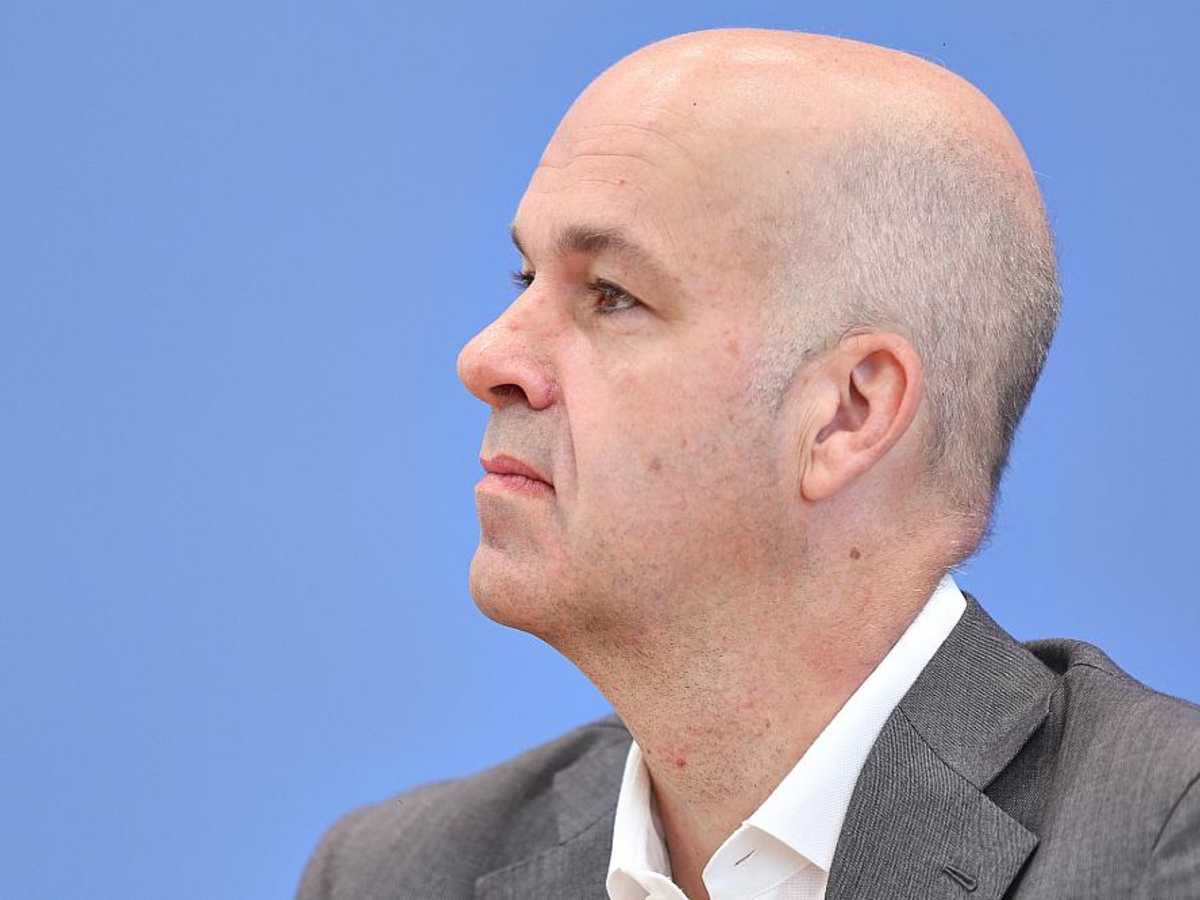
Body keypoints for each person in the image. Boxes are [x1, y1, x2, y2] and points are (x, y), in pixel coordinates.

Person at [296, 28, 1200, 900]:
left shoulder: (1161, 848)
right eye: (525, 278)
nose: (486, 357)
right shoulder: (392, 875)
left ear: (848, 414)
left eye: (611, 294)